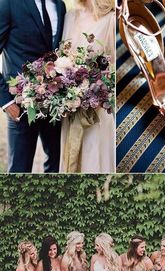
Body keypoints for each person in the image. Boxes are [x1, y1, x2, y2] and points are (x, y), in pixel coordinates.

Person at [0, 0, 66, 173]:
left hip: (55, 104)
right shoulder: (8, 4)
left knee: (56, 166)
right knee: (19, 171)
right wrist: (6, 102)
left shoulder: (60, 5)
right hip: (21, 106)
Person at [61, 0, 115, 174]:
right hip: (70, 110)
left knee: (93, 159)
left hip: (96, 111)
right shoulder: (69, 16)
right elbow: (61, 58)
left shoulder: (110, 18)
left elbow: (113, 68)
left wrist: (96, 94)